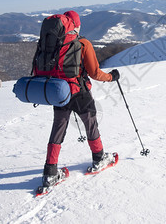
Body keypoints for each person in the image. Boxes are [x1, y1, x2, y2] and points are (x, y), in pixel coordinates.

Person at [41, 10, 120, 187]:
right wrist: (112, 77)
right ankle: (99, 158)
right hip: (79, 92)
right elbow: (95, 73)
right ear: (77, 26)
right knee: (90, 124)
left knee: (58, 129)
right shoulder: (83, 44)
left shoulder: (53, 44)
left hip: (58, 93)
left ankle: (50, 172)